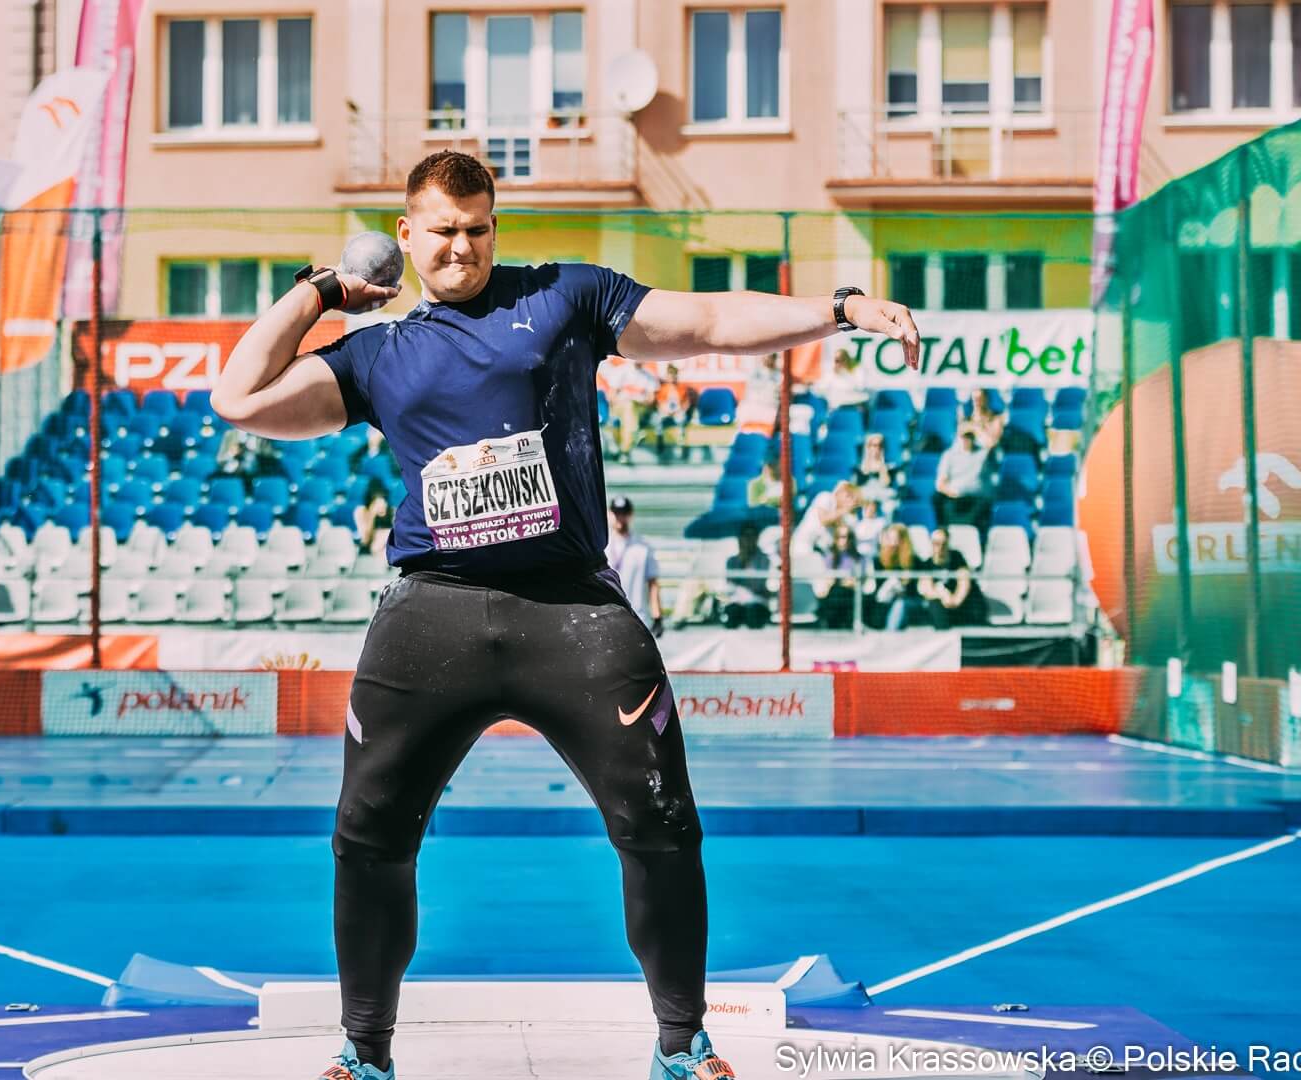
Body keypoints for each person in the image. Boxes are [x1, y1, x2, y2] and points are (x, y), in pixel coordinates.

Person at [213, 149, 919, 1080]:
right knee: (367, 838)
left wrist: (841, 308)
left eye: (477, 229)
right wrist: (319, 293)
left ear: (494, 226)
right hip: (432, 615)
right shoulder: (377, 355)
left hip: (574, 614)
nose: (462, 247)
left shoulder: (563, 297)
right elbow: (238, 398)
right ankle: (365, 1052)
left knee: (663, 825)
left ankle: (682, 1044)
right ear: (406, 236)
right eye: (442, 231)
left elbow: (710, 319)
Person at [605, 496, 664, 635]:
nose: (620, 518)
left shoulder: (643, 547)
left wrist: (657, 616)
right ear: (609, 514)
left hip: (638, 619)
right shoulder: (603, 546)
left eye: (624, 513)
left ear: (631, 515)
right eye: (617, 513)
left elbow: (653, 583)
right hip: (608, 619)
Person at [918, 527, 986, 629]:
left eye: (943, 544)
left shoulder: (957, 557)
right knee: (934, 603)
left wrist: (955, 600)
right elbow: (927, 589)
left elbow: (964, 583)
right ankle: (943, 633)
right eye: (936, 543)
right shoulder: (927, 563)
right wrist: (943, 594)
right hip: (944, 603)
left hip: (961, 602)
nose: (940, 547)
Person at [862, 523, 923, 631]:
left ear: (903, 540)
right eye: (888, 538)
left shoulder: (914, 561)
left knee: (899, 604)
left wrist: (900, 589)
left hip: (907, 601)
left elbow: (914, 590)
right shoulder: (878, 561)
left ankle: (890, 634)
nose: (890, 542)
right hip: (884, 601)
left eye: (894, 538)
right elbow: (876, 591)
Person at [599, 354, 658, 463]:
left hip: (640, 408)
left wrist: (636, 400)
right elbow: (611, 397)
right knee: (629, 408)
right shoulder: (621, 371)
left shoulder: (649, 375)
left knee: (631, 410)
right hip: (621, 407)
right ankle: (628, 446)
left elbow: (651, 400)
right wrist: (627, 399)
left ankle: (626, 448)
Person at [935, 428, 994, 532]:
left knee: (984, 506)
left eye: (970, 437)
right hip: (954, 498)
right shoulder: (949, 455)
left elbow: (992, 443)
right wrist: (952, 493)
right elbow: (940, 484)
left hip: (975, 499)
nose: (967, 440)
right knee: (937, 499)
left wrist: (975, 429)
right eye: (965, 437)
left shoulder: (982, 453)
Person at [721, 523, 774, 629]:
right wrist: (742, 561)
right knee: (732, 615)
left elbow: (759, 584)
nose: (749, 539)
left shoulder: (764, 559)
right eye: (745, 536)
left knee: (753, 614)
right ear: (740, 539)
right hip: (737, 602)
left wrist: (750, 563)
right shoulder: (732, 561)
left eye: (752, 535)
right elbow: (730, 584)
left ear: (757, 538)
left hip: (757, 603)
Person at [818, 521, 862, 629]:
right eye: (841, 537)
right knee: (835, 591)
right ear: (836, 539)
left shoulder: (858, 558)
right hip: (833, 593)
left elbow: (860, 581)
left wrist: (852, 582)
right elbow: (826, 580)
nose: (845, 540)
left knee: (839, 592)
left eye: (848, 537)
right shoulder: (829, 557)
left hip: (850, 594)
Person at [649, 364, 695, 461]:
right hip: (665, 411)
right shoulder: (663, 388)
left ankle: (681, 444)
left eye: (674, 375)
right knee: (657, 419)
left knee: (681, 419)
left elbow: (686, 403)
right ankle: (660, 439)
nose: (672, 378)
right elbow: (659, 403)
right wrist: (664, 410)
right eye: (670, 375)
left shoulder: (682, 388)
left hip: (678, 411)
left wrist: (680, 410)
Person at [354, 480, 394, 561]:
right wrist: (372, 515)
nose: (382, 506)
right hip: (368, 553)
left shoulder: (392, 512)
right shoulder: (361, 511)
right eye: (376, 503)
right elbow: (365, 541)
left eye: (384, 501)